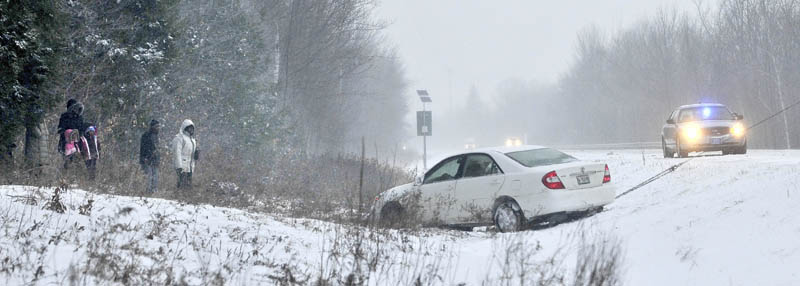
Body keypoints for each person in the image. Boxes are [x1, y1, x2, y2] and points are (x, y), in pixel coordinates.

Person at [171, 119, 198, 190]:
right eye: (190, 128)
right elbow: (177, 153)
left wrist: (196, 154)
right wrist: (179, 166)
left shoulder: (192, 140)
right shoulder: (179, 138)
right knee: (181, 185)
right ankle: (179, 198)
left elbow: (192, 155)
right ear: (185, 128)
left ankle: (185, 199)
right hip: (182, 166)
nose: (191, 130)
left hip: (190, 167)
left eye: (192, 128)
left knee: (188, 186)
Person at [58, 102, 85, 168]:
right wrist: (67, 133)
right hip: (66, 141)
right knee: (67, 160)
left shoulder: (80, 117)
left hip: (76, 142)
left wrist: (78, 134)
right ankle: (66, 174)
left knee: (76, 160)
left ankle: (73, 174)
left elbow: (81, 129)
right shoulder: (65, 116)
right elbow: (61, 129)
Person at [139, 119, 161, 193]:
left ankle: (154, 191)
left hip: (155, 161)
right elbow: (143, 148)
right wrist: (144, 158)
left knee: (155, 177)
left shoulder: (156, 137)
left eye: (159, 126)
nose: (158, 128)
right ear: (152, 127)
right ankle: (147, 192)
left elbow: (157, 149)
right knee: (148, 177)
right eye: (156, 126)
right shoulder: (146, 136)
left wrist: (158, 159)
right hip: (147, 160)